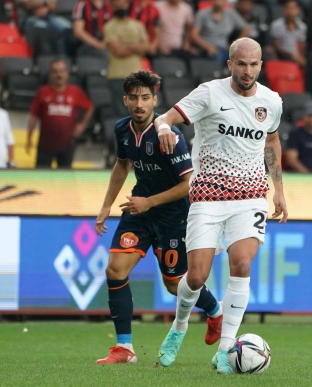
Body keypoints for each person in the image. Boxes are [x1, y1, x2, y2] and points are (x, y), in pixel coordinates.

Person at [154, 37, 288, 374]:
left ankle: (226, 350)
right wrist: (164, 128)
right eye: (241, 64)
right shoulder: (210, 93)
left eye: (253, 64)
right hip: (209, 193)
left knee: (241, 263)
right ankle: (180, 326)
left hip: (251, 195)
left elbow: (271, 139)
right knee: (196, 277)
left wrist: (279, 190)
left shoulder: (271, 101)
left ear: (261, 65)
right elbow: (165, 118)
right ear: (230, 64)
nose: (247, 70)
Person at [94, 70, 223, 364]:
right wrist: (106, 205)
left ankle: (215, 312)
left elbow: (188, 184)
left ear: (155, 101)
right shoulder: (122, 129)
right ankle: (124, 349)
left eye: (146, 98)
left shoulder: (169, 136)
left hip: (173, 217)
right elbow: (122, 165)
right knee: (115, 270)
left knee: (175, 284)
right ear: (125, 100)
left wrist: (149, 202)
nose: (140, 104)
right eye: (134, 98)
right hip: (140, 212)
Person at [27, 59, 94, 168]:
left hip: (66, 144)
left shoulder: (75, 92)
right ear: (50, 74)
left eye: (62, 71)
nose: (59, 75)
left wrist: (82, 125)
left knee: (65, 178)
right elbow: (33, 116)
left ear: (67, 73)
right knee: (41, 177)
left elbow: (89, 107)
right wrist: (29, 138)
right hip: (45, 144)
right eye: (55, 72)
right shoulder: (42, 92)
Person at [105, 0, 152, 117]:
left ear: (128, 5)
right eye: (117, 4)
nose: (120, 6)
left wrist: (126, 46)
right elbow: (118, 51)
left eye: (123, 3)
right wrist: (137, 47)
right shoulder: (109, 26)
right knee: (121, 115)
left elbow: (146, 48)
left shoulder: (138, 25)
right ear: (112, 6)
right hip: (117, 76)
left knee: (139, 114)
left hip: (137, 76)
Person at [270, 0, 307, 66]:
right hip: (282, 57)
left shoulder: (303, 27)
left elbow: (302, 46)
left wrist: (300, 57)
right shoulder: (276, 25)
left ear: (298, 10)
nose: (291, 11)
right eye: (289, 8)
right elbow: (277, 47)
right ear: (284, 10)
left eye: (294, 8)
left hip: (298, 57)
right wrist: (291, 55)